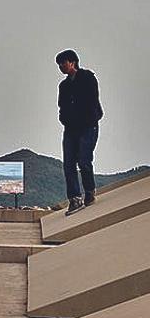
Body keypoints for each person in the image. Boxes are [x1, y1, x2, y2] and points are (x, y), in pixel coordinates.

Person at [57, 49, 103, 215]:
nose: (61, 66)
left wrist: (87, 120)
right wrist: (65, 120)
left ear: (73, 62)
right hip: (70, 129)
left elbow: (92, 100)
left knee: (84, 160)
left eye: (64, 62)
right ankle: (75, 198)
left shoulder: (87, 78)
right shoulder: (63, 86)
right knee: (68, 163)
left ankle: (89, 191)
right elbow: (61, 107)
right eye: (59, 64)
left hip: (88, 126)